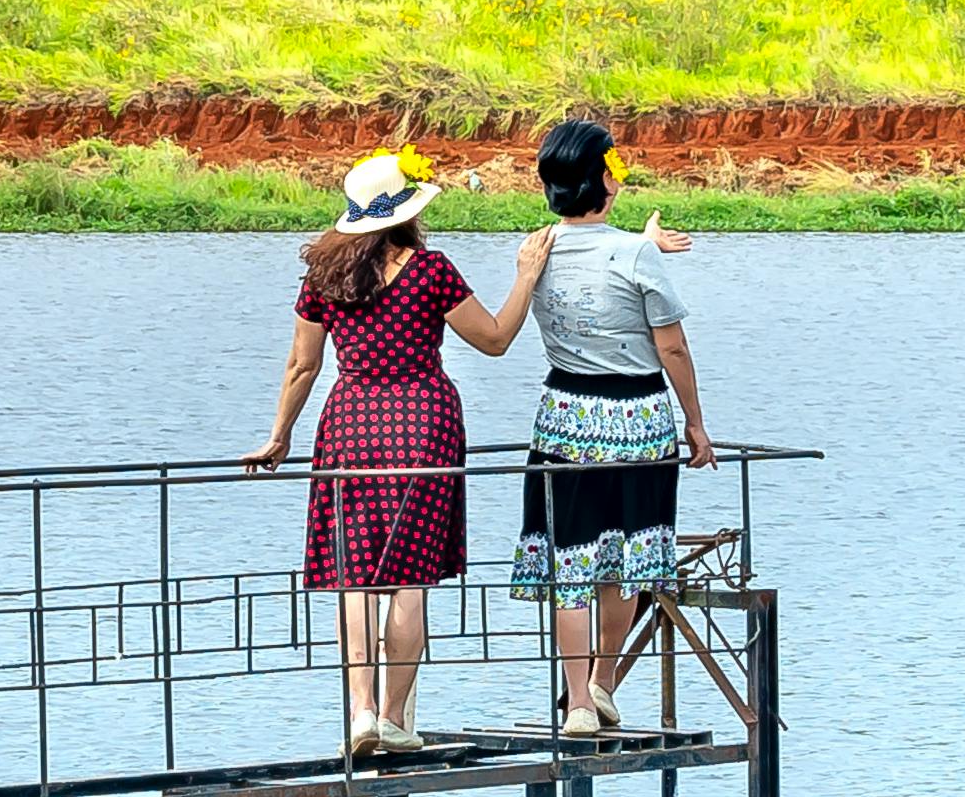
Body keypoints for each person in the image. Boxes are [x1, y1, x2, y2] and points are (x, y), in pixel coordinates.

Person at [256, 150, 525, 757]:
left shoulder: (325, 275)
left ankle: (361, 712)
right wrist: (527, 277)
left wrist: (279, 436)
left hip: (350, 425)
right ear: (407, 212)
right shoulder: (432, 271)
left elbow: (303, 365)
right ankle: (398, 718)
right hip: (424, 423)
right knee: (410, 578)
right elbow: (495, 340)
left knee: (356, 578)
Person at [496, 110, 711, 734]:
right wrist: (696, 424)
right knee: (630, 557)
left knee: (572, 562)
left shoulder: (535, 251)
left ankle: (580, 703)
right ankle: (604, 678)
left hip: (565, 414)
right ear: (605, 181)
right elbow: (672, 348)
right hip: (638, 415)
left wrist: (646, 241)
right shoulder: (636, 256)